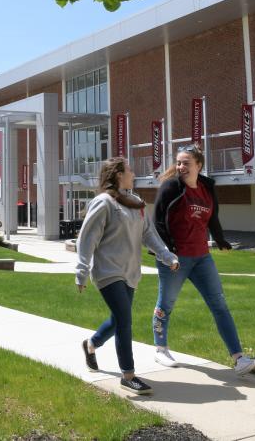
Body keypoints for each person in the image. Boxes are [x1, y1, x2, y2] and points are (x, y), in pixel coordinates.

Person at [151, 144, 255, 375]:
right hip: (175, 258)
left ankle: (239, 358)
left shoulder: (206, 187)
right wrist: (165, 252)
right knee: (166, 304)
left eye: (186, 163)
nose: (181, 167)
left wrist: (220, 239)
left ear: (199, 165)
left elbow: (213, 217)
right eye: (179, 162)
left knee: (219, 305)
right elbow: (158, 221)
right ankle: (160, 349)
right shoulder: (171, 187)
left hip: (202, 257)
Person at [75, 157, 179, 395]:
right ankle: (128, 375)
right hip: (108, 272)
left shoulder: (136, 204)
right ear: (119, 175)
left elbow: (149, 235)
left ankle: (91, 345)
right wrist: (81, 272)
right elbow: (87, 239)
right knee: (124, 320)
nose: (133, 173)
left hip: (130, 272)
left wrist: (167, 255)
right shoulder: (104, 203)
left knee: (117, 320)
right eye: (129, 170)